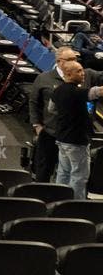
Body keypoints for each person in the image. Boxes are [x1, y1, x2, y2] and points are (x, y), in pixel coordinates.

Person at [51, 59, 99, 200]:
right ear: (68, 74)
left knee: (63, 173)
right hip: (77, 141)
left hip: (62, 139)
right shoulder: (77, 92)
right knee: (79, 176)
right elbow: (96, 92)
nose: (83, 73)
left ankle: (59, 201)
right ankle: (75, 205)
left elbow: (51, 109)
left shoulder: (57, 90)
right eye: (78, 71)